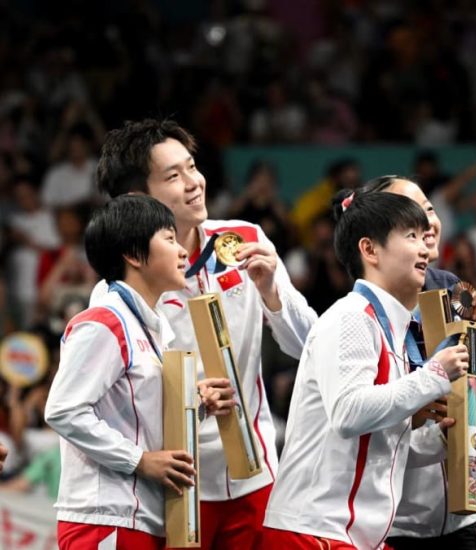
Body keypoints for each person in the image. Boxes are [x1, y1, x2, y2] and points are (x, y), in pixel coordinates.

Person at [93, 118, 318, 549]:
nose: (194, 183)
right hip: (175, 485)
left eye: (192, 167)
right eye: (173, 176)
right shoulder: (119, 286)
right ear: (137, 197)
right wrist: (186, 396)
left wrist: (272, 292)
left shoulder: (246, 240)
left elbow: (310, 346)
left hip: (255, 475)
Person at [261, 192, 469, 549]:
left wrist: (438, 442)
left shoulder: (393, 332)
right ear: (370, 251)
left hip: (354, 536)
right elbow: (348, 413)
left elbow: (376, 444)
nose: (424, 247)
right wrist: (433, 374)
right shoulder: (352, 318)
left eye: (424, 236)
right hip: (314, 532)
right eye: (411, 236)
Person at [44, 195, 199, 549]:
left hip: (144, 516)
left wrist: (199, 402)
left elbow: (140, 417)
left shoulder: (152, 328)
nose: (182, 252)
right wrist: (139, 460)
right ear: (132, 254)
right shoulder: (104, 322)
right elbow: (63, 410)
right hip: (105, 518)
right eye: (170, 239)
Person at [360, 176, 476, 550]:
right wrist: (414, 411)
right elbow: (358, 419)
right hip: (394, 525)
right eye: (409, 215)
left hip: (461, 516)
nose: (427, 222)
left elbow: (475, 389)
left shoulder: (451, 290)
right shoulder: (360, 315)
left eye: (429, 210)